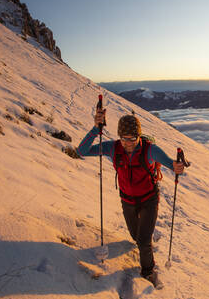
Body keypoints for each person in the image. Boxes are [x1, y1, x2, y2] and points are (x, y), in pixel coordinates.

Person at [76, 108, 185, 287]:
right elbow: (82, 151)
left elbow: (171, 164)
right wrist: (96, 129)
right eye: (124, 138)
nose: (128, 143)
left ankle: (148, 271)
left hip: (149, 200)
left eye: (132, 139)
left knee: (143, 240)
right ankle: (145, 245)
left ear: (139, 136)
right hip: (127, 200)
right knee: (135, 236)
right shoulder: (113, 148)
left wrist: (177, 167)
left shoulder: (150, 150)